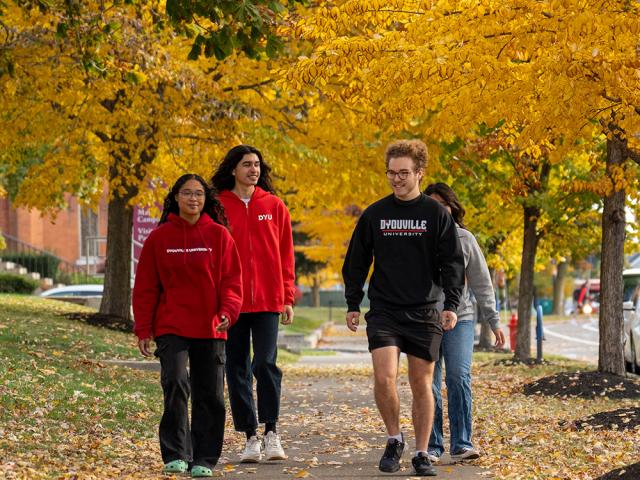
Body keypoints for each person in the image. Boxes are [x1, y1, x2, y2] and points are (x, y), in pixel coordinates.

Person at [342, 139, 465, 477]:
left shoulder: (436, 214)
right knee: (384, 377)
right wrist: (353, 301)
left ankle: (423, 452)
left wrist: (451, 303)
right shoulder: (375, 214)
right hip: (384, 309)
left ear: (419, 173)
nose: (397, 179)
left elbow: (452, 263)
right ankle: (394, 438)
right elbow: (356, 260)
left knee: (421, 382)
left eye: (404, 173)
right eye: (391, 173)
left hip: (425, 310)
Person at [132, 174, 243, 478]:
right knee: (176, 383)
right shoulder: (159, 238)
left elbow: (232, 282)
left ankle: (204, 458)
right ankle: (176, 453)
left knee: (210, 394)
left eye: (198, 194)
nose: (193, 199)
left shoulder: (219, 236)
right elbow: (145, 288)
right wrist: (143, 328)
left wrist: (228, 311)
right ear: (176, 198)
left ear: (205, 200)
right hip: (172, 325)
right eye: (187, 193)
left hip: (210, 326)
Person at [211, 145, 296, 463]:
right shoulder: (217, 205)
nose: (253, 170)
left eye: (257, 164)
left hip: (268, 299)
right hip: (231, 302)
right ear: (234, 169)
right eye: (247, 164)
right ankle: (250, 437)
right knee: (236, 368)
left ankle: (272, 431)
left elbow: (286, 253)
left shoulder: (274, 205)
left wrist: (287, 296)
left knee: (264, 364)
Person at [424, 182, 506, 464]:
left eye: (443, 205)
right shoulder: (417, 239)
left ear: (452, 208)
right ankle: (432, 446)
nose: (439, 210)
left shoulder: (465, 239)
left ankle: (461, 443)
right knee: (429, 383)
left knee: (458, 376)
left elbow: (483, 283)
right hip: (424, 320)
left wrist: (494, 322)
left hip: (462, 318)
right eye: (432, 205)